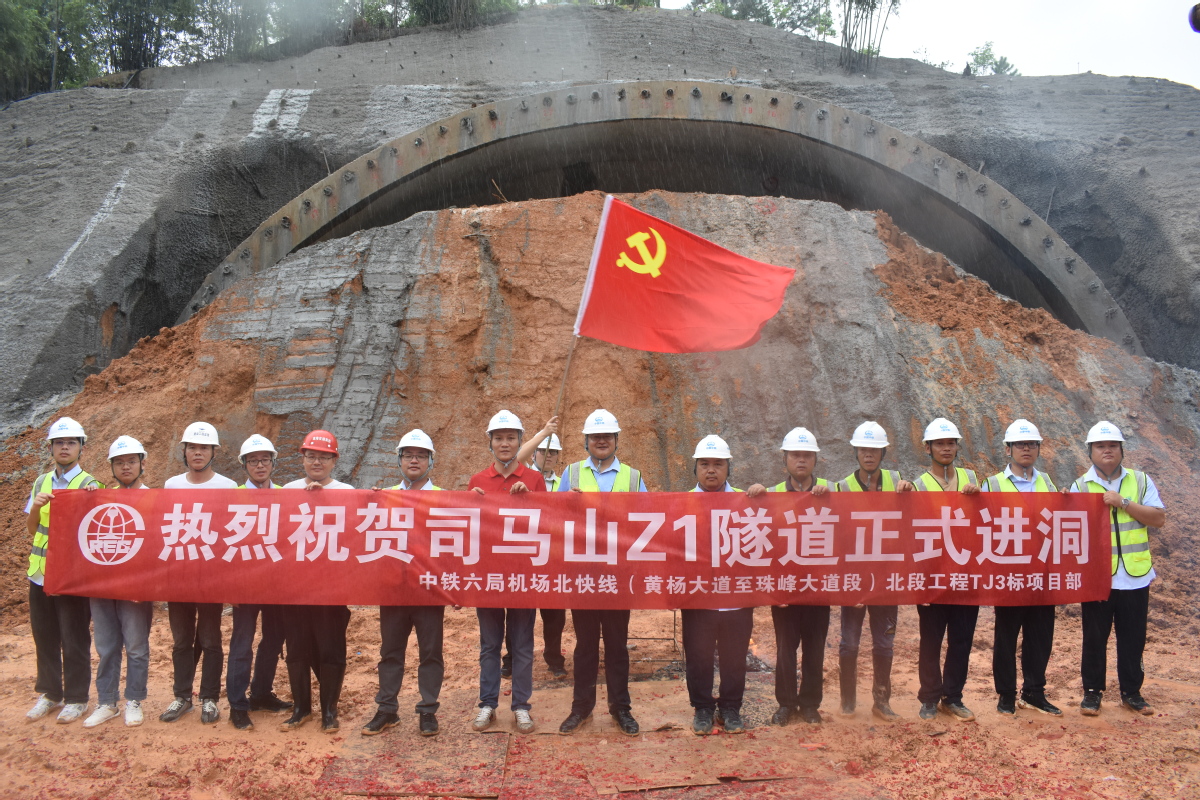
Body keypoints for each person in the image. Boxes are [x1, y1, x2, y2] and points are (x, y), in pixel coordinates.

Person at [556, 410, 646, 737]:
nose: (602, 440)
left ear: (616, 440)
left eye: (607, 435)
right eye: (596, 436)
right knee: (585, 646)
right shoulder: (571, 473)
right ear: (586, 441)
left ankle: (621, 709)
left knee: (618, 645)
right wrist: (567, 503)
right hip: (584, 573)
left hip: (619, 575)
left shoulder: (634, 477)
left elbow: (649, 521)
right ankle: (581, 708)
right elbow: (554, 519)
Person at [1070, 421, 1166, 717]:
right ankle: (1091, 693)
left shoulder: (1140, 481)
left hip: (1136, 576)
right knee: (1094, 638)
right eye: (1100, 446)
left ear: (1122, 450)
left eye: (1112, 445)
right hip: (1098, 579)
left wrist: (1123, 502)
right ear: (1090, 452)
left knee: (1133, 637)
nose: (1107, 450)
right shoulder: (1080, 486)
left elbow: (1158, 518)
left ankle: (1132, 692)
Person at [746, 427, 835, 726]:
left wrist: (831, 498)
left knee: (814, 649)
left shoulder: (830, 490)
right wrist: (757, 496)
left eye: (807, 455)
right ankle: (786, 704)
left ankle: (810, 705)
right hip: (784, 589)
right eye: (795, 455)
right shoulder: (772, 495)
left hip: (818, 587)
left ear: (815, 460)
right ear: (784, 459)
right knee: (786, 649)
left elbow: (849, 530)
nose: (801, 460)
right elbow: (763, 543)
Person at [468, 410, 546, 735]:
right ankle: (487, 703)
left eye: (510, 437)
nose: (504, 443)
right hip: (488, 575)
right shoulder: (477, 482)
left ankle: (521, 706)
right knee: (489, 645)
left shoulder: (534, 480)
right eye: (498, 438)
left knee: (522, 643)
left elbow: (548, 524)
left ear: (519, 441)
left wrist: (528, 500)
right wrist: (469, 502)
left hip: (522, 575)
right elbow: (468, 529)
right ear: (490, 442)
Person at [363, 429, 446, 738]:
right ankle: (387, 709)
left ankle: (428, 711)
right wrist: (368, 502)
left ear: (430, 461)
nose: (414, 460)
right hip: (394, 590)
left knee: (431, 653)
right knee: (391, 652)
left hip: (428, 589)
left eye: (421, 455)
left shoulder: (444, 498)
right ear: (399, 460)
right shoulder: (384, 496)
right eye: (408, 454)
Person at [24, 417, 102, 725]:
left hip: (71, 577)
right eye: (59, 443)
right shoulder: (41, 482)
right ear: (52, 448)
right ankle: (50, 693)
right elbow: (32, 530)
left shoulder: (89, 485)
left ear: (81, 447)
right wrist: (35, 507)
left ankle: (78, 698)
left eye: (71, 442)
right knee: (44, 637)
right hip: (39, 573)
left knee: (74, 638)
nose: (65, 447)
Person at [160, 422, 238, 726]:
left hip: (211, 577)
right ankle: (182, 696)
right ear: (184, 450)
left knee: (210, 640)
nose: (197, 453)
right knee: (181, 641)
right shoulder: (172, 485)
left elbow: (232, 533)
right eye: (192, 447)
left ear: (213, 452)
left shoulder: (228, 487)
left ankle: (209, 699)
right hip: (179, 576)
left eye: (203, 448)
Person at [834, 421, 912, 723]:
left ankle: (882, 701)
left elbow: (914, 515)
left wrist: (910, 488)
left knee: (884, 643)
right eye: (864, 449)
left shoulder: (897, 480)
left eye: (875, 450)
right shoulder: (842, 486)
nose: (869, 454)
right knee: (849, 643)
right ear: (856, 451)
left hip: (886, 578)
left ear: (883, 453)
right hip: (854, 577)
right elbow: (837, 536)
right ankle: (847, 701)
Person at [984, 420, 1062, 717]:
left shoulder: (1048, 483)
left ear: (1038, 449)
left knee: (1040, 636)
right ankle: (1006, 694)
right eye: (1020, 444)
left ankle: (1034, 692)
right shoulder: (991, 484)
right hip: (1009, 576)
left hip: (1042, 575)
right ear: (1009, 449)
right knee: (1006, 637)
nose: (1026, 449)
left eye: (1031, 444)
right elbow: (979, 528)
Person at [279, 430, 355, 733]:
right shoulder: (287, 491)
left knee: (331, 649)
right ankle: (300, 709)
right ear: (302, 458)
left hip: (331, 587)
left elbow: (355, 536)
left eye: (323, 457)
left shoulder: (347, 492)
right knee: (296, 648)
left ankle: (329, 710)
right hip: (295, 587)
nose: (316, 461)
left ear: (334, 460)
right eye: (311, 455)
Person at [682, 435, 752, 735]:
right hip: (698, 596)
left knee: (734, 656)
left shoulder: (745, 501)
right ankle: (702, 708)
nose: (711, 470)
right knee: (698, 655)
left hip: (736, 597)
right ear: (696, 468)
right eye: (705, 464)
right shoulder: (680, 504)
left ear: (728, 468)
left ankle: (731, 707)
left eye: (718, 464)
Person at [83, 436, 154, 728]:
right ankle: (106, 702)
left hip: (136, 588)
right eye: (119, 462)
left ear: (142, 464)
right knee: (106, 645)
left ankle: (134, 700)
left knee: (136, 645)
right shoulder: (101, 498)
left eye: (131, 461)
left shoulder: (156, 499)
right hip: (103, 584)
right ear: (112, 467)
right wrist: (85, 500)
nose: (126, 467)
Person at [913, 417, 981, 722]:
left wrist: (978, 497)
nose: (946, 448)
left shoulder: (971, 478)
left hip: (966, 575)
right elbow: (911, 533)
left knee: (961, 640)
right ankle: (929, 697)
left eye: (951, 443)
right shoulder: (917, 484)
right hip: (933, 575)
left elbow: (985, 521)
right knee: (931, 639)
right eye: (939, 443)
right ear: (928, 447)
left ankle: (953, 697)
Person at [226, 434, 292, 731]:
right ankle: (238, 705)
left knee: (274, 639)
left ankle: (261, 693)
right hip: (244, 584)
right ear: (244, 464)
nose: (260, 465)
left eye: (265, 459)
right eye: (253, 460)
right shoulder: (232, 495)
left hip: (277, 582)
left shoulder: (286, 494)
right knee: (242, 643)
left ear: (273, 462)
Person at [503, 417, 567, 680]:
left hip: (553, 555)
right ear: (537, 452)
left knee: (554, 614)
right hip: (523, 554)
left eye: (554, 452)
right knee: (517, 611)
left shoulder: (563, 482)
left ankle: (554, 658)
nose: (549, 456)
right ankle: (511, 658)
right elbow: (517, 455)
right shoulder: (522, 474)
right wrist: (544, 433)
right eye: (544, 451)